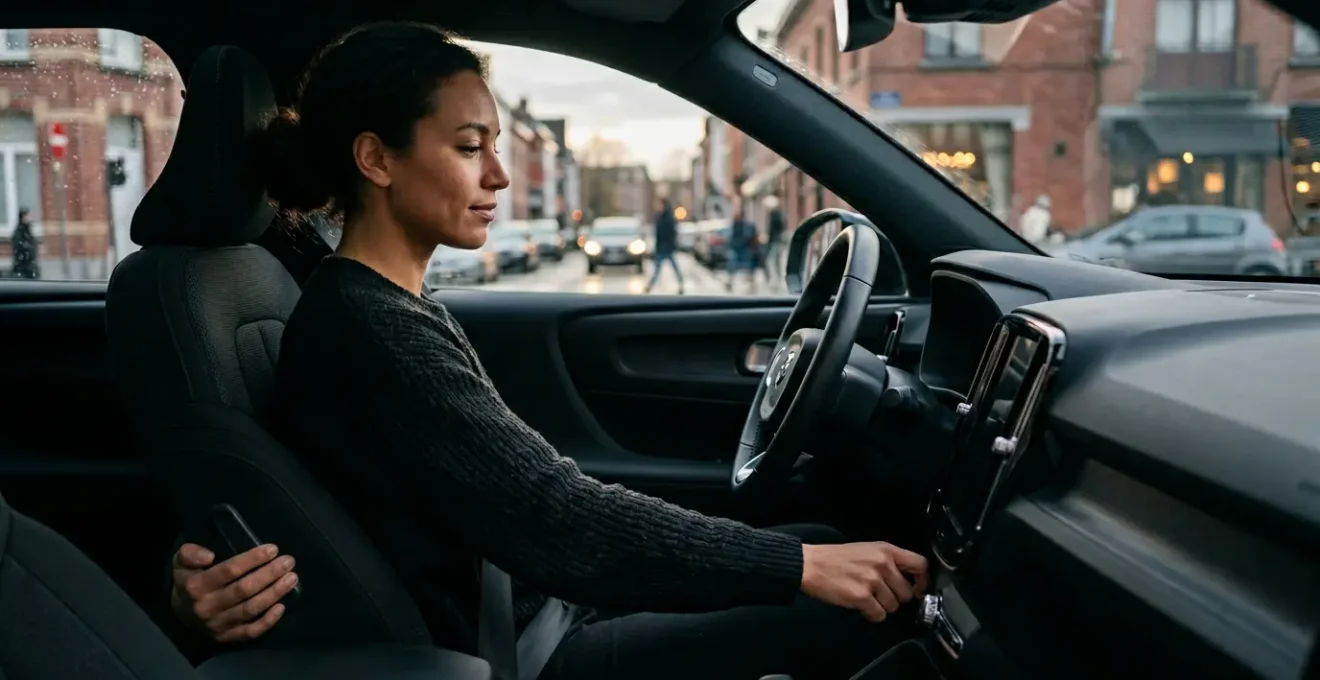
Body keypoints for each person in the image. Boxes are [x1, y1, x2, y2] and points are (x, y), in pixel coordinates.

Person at [168, 22, 927, 679]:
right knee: (859, 599)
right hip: (524, 653)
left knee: (832, 550)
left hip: (537, 611)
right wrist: (795, 569)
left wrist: (802, 560)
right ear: (376, 159)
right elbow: (558, 516)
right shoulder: (372, 331)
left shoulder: (371, 302)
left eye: (496, 145)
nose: (498, 174)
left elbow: (532, 503)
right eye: (470, 147)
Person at [644, 196, 683, 294]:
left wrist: (671, 245)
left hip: (667, 247)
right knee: (658, 269)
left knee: (673, 267)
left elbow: (672, 233)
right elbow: (657, 235)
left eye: (659, 204)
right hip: (661, 248)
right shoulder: (658, 217)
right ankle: (650, 286)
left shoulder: (669, 217)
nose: (657, 206)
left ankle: (681, 283)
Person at [10, 207, 39, 279]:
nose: (29, 218)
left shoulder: (28, 231)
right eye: (27, 216)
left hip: (30, 268)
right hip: (23, 269)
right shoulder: (19, 232)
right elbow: (19, 248)